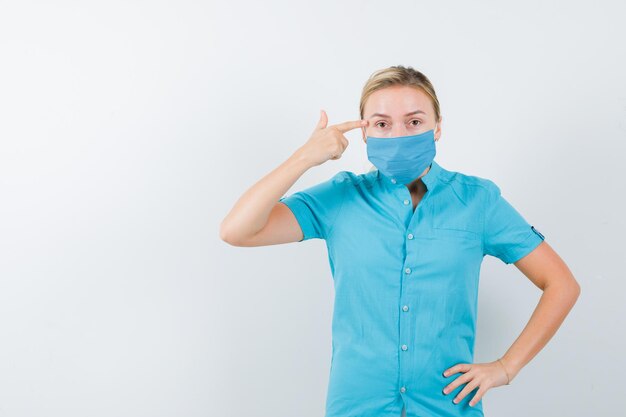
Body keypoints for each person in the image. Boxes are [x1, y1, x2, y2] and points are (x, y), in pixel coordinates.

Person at [219, 65, 581, 417]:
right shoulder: (341, 198)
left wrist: (506, 367)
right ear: (363, 133)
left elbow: (561, 284)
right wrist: (305, 157)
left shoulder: (478, 201)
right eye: (381, 124)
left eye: (414, 122)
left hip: (447, 405)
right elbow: (237, 230)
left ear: (437, 127)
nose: (398, 135)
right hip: (357, 405)